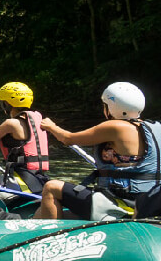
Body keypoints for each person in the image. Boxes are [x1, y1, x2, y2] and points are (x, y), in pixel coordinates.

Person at [34, 82, 161, 220]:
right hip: (150, 200)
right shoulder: (156, 127)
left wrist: (52, 127)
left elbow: (68, 138)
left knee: (51, 187)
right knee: (49, 213)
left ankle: (51, 238)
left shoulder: (115, 127)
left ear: (112, 107)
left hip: (121, 200)